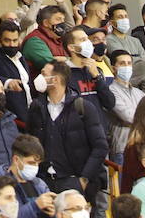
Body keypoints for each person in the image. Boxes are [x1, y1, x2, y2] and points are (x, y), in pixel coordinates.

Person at [26, 62, 107, 206]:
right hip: (43, 181)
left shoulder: (83, 107)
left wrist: (83, 179)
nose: (39, 77)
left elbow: (100, 146)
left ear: (55, 79)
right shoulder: (36, 107)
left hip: (73, 181)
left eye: (44, 74)